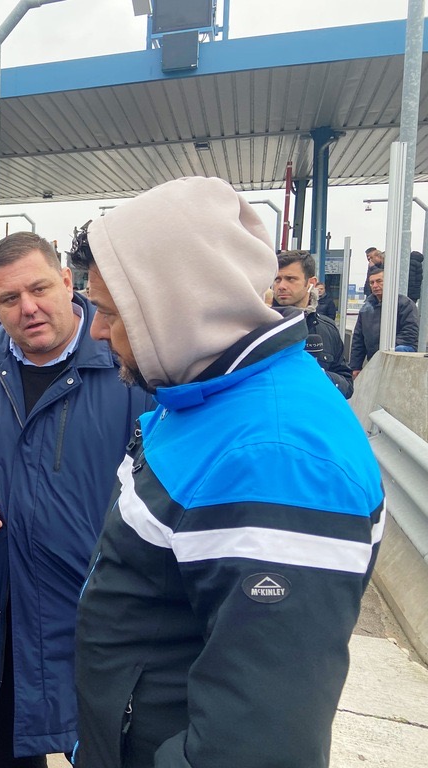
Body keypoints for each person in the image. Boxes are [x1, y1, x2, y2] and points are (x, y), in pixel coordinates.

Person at [72, 177, 384, 768]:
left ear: (172, 308)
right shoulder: (209, 397)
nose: (95, 330)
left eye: (109, 312)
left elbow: (256, 745)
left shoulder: (274, 458)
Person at [0, 232, 150, 766]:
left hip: (102, 624)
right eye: (9, 299)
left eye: (39, 289)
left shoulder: (129, 366)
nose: (28, 308)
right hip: (4, 621)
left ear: (67, 281)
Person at [272, 250, 352, 398]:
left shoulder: (327, 328)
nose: (281, 286)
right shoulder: (259, 326)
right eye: (277, 279)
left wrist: (320, 376)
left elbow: (347, 385)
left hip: (314, 409)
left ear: (311, 283)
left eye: (290, 279)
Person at [350, 265, 420, 377]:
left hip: (399, 361)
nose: (375, 285)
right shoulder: (366, 309)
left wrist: (387, 352)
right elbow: (358, 339)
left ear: (388, 282)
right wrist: (355, 366)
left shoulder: (405, 304)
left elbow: (410, 333)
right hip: (375, 361)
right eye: (372, 283)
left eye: (379, 281)